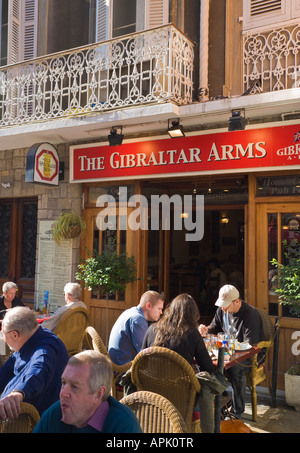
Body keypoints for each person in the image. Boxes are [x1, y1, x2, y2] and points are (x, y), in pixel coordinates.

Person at [142, 293, 216, 433]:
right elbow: (208, 368)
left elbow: (141, 360)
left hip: (152, 393)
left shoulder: (152, 329)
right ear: (193, 314)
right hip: (181, 398)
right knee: (211, 388)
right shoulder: (192, 333)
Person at [33, 350, 142, 433]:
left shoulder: (123, 425)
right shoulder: (55, 413)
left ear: (98, 394)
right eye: (63, 383)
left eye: (74, 386)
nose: (63, 394)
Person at [199, 284, 265, 417]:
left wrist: (229, 347)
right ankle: (223, 401)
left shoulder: (250, 314)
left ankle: (237, 411)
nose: (223, 308)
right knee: (206, 365)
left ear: (237, 302)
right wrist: (206, 329)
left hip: (251, 354)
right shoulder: (222, 310)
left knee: (236, 370)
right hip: (229, 351)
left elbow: (250, 344)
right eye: (222, 305)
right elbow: (214, 325)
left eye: (226, 305)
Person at [0, 306, 69, 419]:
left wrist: (19, 392)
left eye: (3, 334)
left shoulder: (46, 348)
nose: (3, 338)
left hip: (30, 420)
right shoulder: (30, 338)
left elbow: (39, 370)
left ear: (15, 335)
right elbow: (8, 369)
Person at [108, 290, 164, 365]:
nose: (161, 312)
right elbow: (145, 352)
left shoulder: (131, 311)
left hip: (117, 362)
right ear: (148, 306)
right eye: (159, 308)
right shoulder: (138, 319)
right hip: (123, 368)